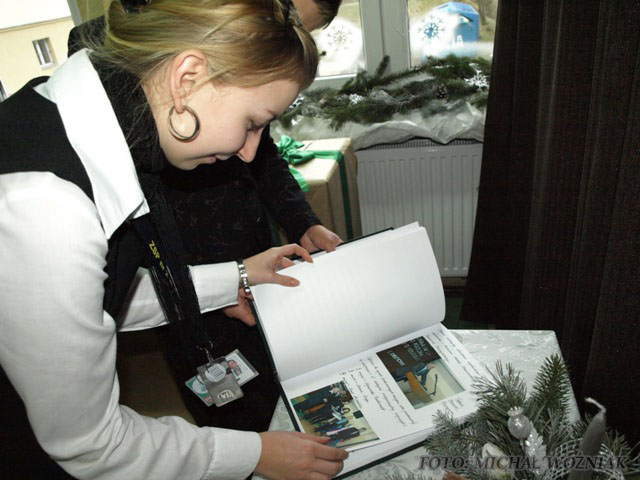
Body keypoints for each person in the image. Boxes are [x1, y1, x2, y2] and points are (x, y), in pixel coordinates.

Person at [0, 1, 348, 479]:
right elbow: (90, 445)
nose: (250, 152)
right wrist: (256, 454)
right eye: (252, 123)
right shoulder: (46, 206)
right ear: (187, 79)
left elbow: (96, 297)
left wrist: (233, 279)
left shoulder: (99, 115)